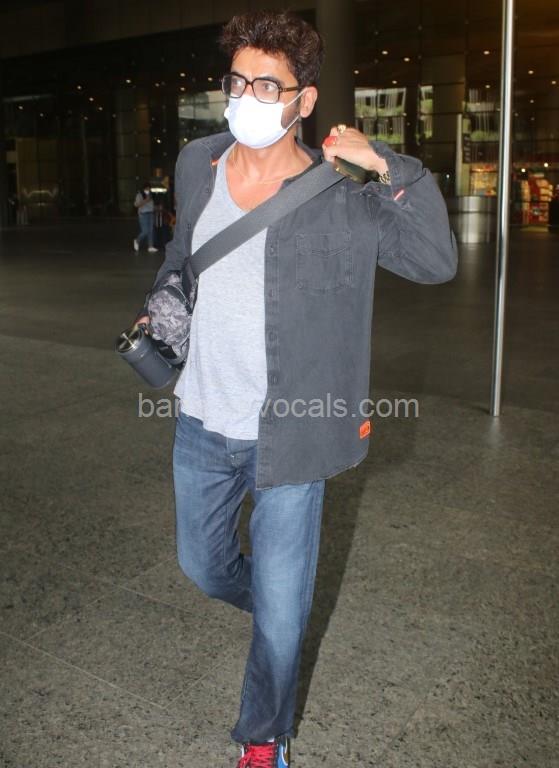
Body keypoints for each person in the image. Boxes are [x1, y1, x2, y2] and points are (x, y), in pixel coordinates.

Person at [134, 10, 458, 767]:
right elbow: (183, 252)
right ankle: (280, 610)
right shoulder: (198, 161)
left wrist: (385, 164)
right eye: (237, 81)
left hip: (293, 432)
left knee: (281, 614)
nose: (245, 97)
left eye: (266, 85)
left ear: (304, 100)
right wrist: (165, 301)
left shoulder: (342, 190)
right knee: (203, 566)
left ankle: (262, 737)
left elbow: (434, 260)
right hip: (201, 419)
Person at [133, 182, 158, 252]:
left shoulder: (151, 195)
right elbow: (136, 205)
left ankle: (150, 246)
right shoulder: (139, 195)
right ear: (143, 189)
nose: (148, 190)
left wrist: (156, 208)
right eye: (146, 189)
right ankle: (137, 240)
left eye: (149, 189)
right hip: (143, 214)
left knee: (151, 231)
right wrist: (145, 201)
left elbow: (151, 205)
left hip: (151, 214)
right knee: (145, 231)